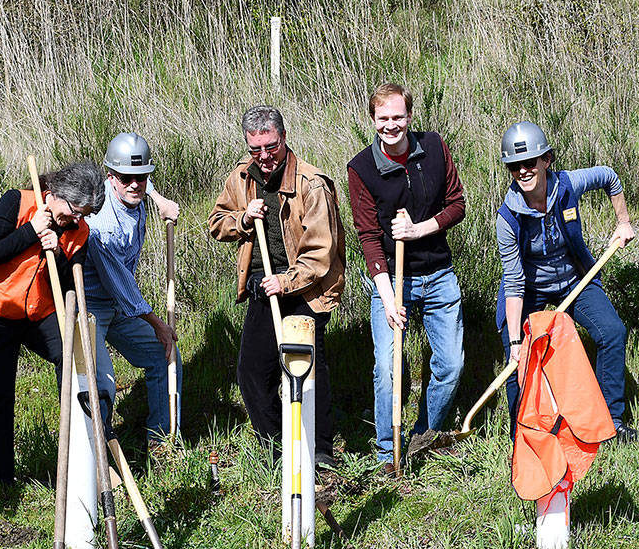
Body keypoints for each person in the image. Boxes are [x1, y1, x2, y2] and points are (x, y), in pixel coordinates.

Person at [208, 105, 345, 467]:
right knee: (252, 372)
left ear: (284, 139)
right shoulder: (241, 178)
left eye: (271, 147)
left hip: (306, 290)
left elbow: (321, 253)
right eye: (256, 150)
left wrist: (284, 281)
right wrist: (242, 219)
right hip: (262, 288)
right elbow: (216, 223)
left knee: (307, 369)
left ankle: (319, 451)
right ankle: (277, 448)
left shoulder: (312, 184)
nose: (265, 157)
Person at [494, 120, 639, 442]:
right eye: (514, 166)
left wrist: (624, 222)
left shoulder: (568, 185)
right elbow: (514, 281)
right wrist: (517, 344)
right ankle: (523, 436)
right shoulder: (508, 217)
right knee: (517, 356)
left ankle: (610, 424)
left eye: (529, 163)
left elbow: (609, 176)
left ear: (546, 160)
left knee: (612, 332)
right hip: (529, 288)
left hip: (575, 278)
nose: (523, 171)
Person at [346, 83, 466, 474]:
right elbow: (367, 235)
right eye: (383, 119)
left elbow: (457, 204)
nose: (391, 125)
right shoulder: (361, 168)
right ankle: (387, 454)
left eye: (398, 117)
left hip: (438, 274)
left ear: (410, 117)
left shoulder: (433, 147)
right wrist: (386, 294)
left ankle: (423, 437)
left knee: (450, 365)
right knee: (388, 368)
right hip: (392, 281)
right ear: (373, 120)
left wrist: (420, 229)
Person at [0, 160, 104, 486]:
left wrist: (59, 255)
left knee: (73, 357)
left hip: (39, 313)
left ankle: (80, 459)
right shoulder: (19, 202)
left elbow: (70, 287)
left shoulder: (78, 232)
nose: (76, 219)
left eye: (85, 214)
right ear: (54, 194)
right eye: (73, 211)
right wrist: (30, 231)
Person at [84, 132, 182, 447]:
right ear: (110, 177)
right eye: (126, 178)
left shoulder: (135, 189)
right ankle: (100, 456)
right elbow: (123, 288)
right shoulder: (103, 226)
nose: (135, 184)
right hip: (91, 309)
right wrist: (159, 325)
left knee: (164, 356)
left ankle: (162, 441)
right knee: (102, 384)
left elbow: (140, 185)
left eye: (142, 177)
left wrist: (158, 199)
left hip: (119, 306)